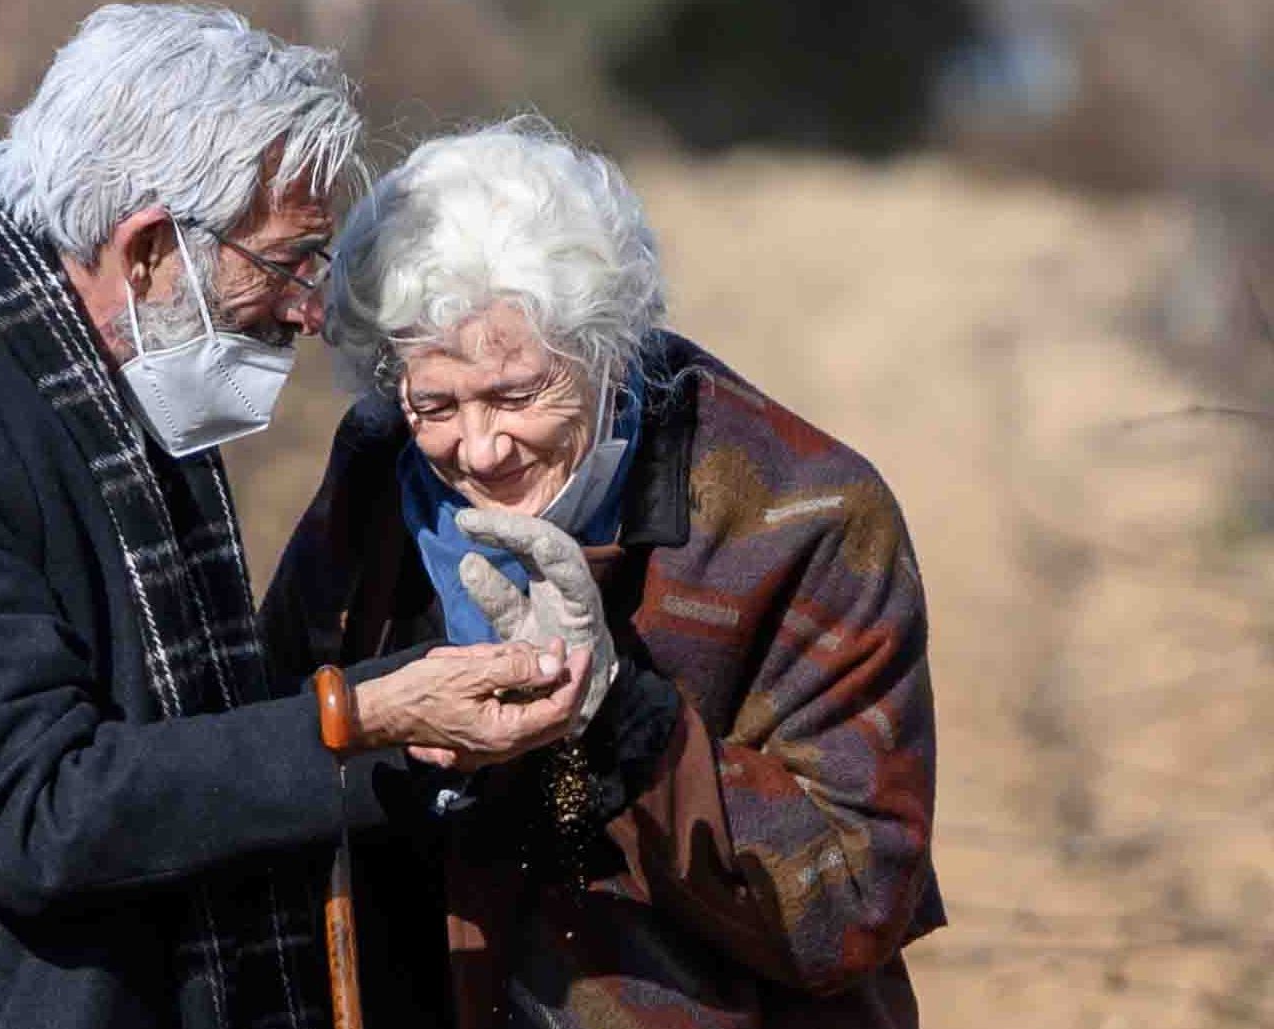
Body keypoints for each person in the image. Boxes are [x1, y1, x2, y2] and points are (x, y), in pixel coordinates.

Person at [0, 13, 588, 1029]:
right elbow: (40, 809)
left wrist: (422, 719)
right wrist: (365, 719)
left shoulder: (120, 387)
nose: (308, 308)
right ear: (151, 248)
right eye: (291, 262)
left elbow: (202, 750)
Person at [261, 119, 946, 1028]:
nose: (478, 446)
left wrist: (626, 721)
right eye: (435, 402)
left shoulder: (806, 515)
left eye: (517, 394)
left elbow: (853, 903)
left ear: (607, 351)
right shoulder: (379, 477)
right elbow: (280, 731)